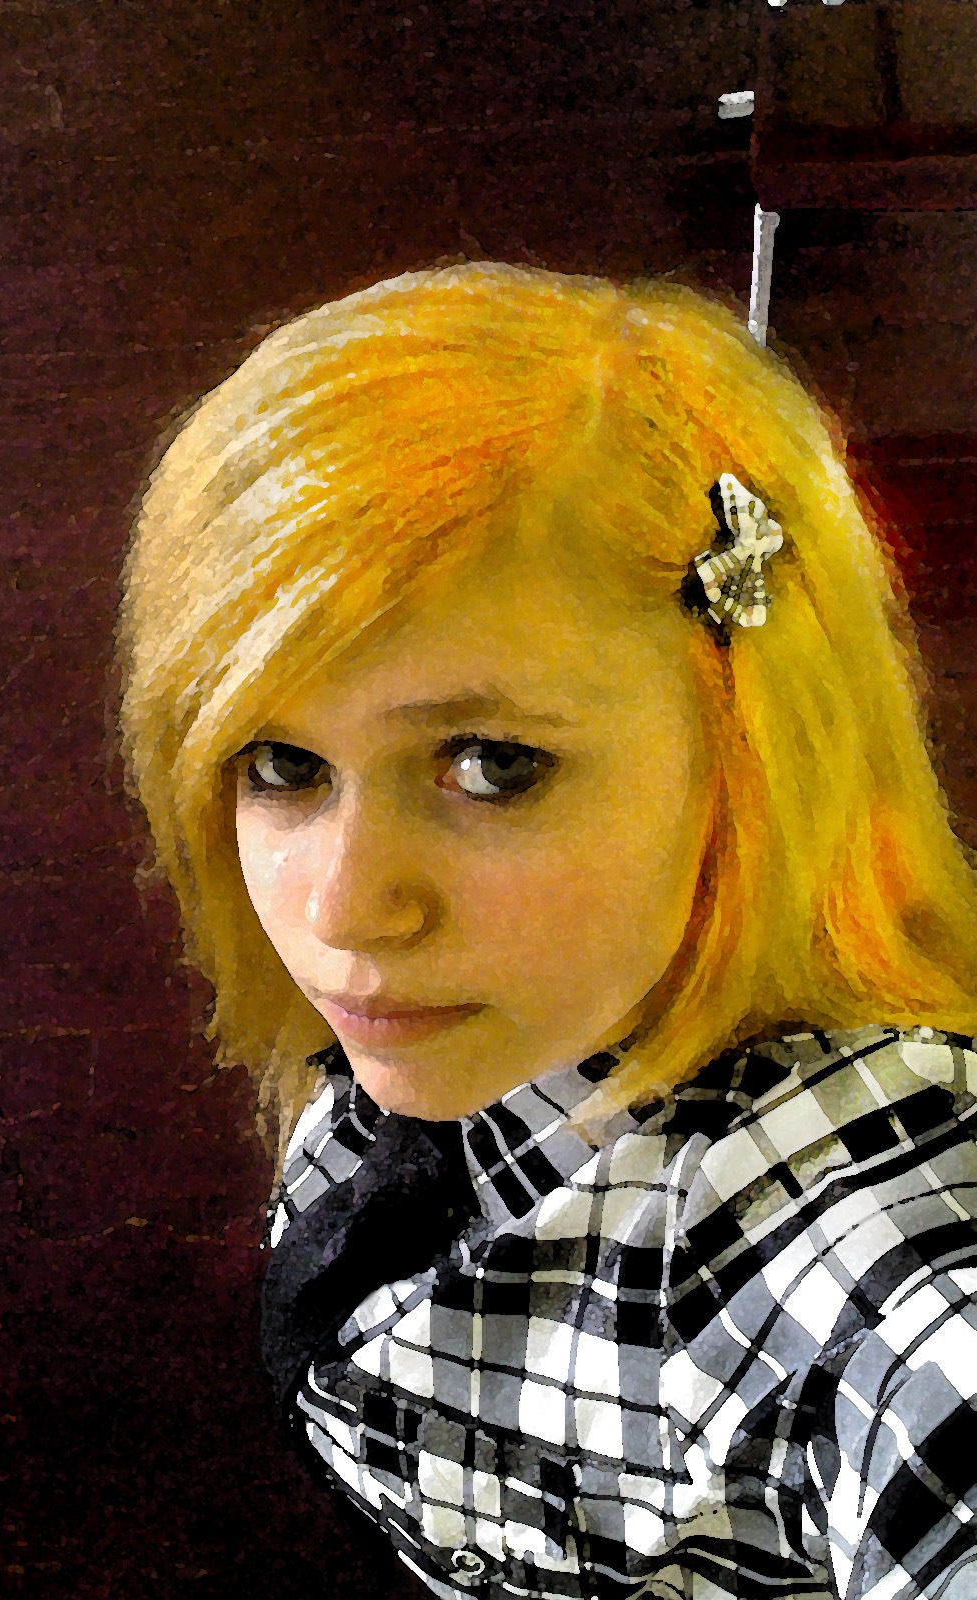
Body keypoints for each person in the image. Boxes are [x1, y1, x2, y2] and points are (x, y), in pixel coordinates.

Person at [116, 263, 977, 1600]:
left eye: (492, 765)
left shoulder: (854, 1234)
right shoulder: (485, 1023)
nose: (344, 909)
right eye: (281, 764)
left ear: (752, 746)